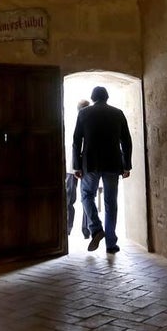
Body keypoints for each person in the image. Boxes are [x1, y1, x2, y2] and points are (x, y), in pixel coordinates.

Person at [72, 86, 132, 254]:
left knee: (86, 196)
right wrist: (126, 165)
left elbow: (77, 140)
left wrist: (76, 165)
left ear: (92, 98)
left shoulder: (84, 113)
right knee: (111, 203)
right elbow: (126, 141)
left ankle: (96, 229)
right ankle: (111, 244)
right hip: (113, 163)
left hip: (90, 163)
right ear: (107, 97)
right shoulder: (118, 113)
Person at [66, 99, 91, 238]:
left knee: (73, 199)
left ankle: (70, 229)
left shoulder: (73, 123)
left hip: (73, 167)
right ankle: (85, 230)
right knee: (85, 198)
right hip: (77, 167)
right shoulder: (74, 123)